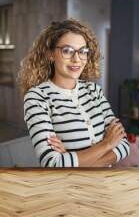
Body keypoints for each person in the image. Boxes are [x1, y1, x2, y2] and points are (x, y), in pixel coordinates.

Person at [18, 19, 130, 167]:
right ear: (50, 54)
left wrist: (73, 160)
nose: (77, 59)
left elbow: (124, 145)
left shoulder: (94, 90)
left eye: (83, 51)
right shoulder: (37, 97)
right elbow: (53, 163)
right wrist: (107, 144)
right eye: (67, 51)